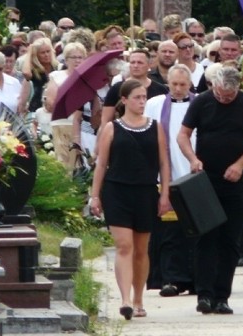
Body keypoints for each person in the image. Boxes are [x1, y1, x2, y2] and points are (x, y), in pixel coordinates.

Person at [177, 66, 243, 315]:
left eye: (228, 96)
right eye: (219, 94)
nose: (223, 99)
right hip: (206, 180)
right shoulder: (203, 102)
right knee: (206, 237)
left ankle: (222, 296)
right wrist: (193, 159)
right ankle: (204, 294)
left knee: (230, 241)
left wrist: (240, 165)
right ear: (213, 86)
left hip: (236, 181)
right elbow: (183, 135)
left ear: (238, 89)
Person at [89, 79, 172, 320]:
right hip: (117, 191)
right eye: (136, 97)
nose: (142, 102)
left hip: (145, 191)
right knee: (124, 246)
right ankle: (125, 299)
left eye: (144, 97)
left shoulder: (155, 126)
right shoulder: (112, 128)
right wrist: (95, 196)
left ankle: (138, 298)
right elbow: (102, 164)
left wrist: (164, 193)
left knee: (141, 249)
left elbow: (163, 162)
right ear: (124, 100)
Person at [144, 64, 197, 297]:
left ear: (190, 84)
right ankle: (171, 279)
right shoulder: (155, 105)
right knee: (170, 233)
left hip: (195, 177)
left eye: (182, 85)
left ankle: (196, 279)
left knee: (196, 233)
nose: (177, 89)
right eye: (173, 84)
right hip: (166, 177)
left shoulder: (200, 104)